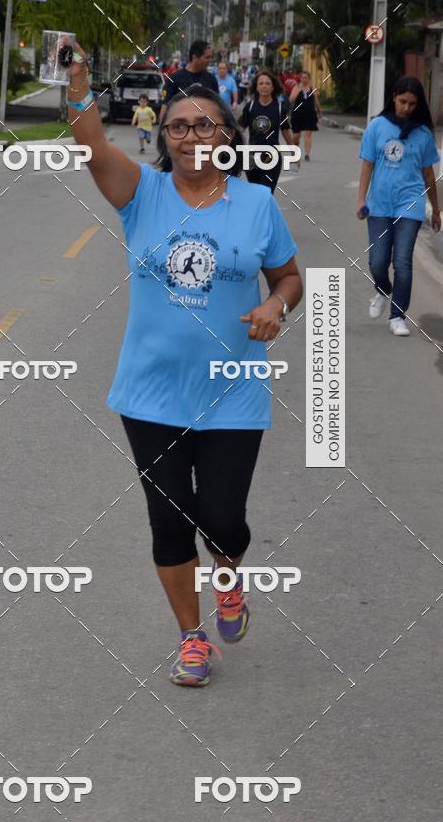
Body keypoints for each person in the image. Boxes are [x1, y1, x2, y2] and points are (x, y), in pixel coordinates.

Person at [64, 38, 303, 688]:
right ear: (162, 136)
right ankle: (192, 637)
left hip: (233, 392)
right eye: (177, 126)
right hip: (149, 392)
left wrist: (277, 307)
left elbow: (288, 278)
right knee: (169, 523)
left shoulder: (256, 204)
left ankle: (230, 580)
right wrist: (81, 79)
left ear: (225, 133)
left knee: (222, 521)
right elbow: (91, 147)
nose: (190, 135)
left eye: (203, 124)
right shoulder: (142, 193)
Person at [357, 76, 441, 336]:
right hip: (380, 204)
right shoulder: (377, 127)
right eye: (403, 101)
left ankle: (398, 316)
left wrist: (436, 209)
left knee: (403, 261)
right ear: (393, 97)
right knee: (377, 262)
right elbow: (368, 165)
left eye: (412, 104)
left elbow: (429, 175)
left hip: (411, 204)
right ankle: (382, 290)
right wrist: (361, 199)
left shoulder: (423, 134)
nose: (407, 107)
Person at [239, 68, 294, 194]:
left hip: (272, 157)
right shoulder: (250, 107)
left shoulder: (280, 109)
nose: (264, 86)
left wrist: (293, 152)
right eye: (261, 83)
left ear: (273, 87)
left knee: (266, 194)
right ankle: (259, 214)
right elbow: (239, 130)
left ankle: (265, 213)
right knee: (256, 195)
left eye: (268, 83)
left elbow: (286, 132)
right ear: (256, 87)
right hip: (252, 158)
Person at [159, 39, 219, 121]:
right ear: (194, 57)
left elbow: (217, 106)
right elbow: (165, 107)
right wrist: (162, 131)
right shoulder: (174, 79)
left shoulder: (211, 79)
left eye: (211, 57)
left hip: (204, 129)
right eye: (207, 57)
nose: (210, 60)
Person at [289, 70, 322, 161]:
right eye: (302, 78)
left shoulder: (312, 88)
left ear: (309, 79)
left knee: (308, 134)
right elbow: (291, 100)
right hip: (297, 115)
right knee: (296, 136)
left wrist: (320, 112)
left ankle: (307, 154)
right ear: (300, 78)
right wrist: (299, 90)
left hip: (310, 114)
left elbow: (316, 101)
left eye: (306, 78)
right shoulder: (296, 87)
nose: (304, 80)